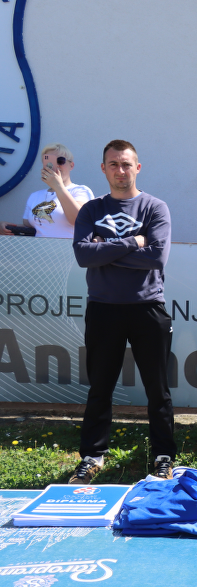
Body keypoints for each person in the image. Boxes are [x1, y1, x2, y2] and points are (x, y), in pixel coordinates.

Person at [69, 140, 175, 485]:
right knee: (100, 388)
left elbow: (156, 258)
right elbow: (83, 255)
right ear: (103, 169)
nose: (120, 170)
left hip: (147, 308)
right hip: (104, 309)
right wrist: (133, 242)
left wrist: (106, 250)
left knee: (158, 390)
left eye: (126, 164)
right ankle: (92, 457)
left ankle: (163, 456)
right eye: (113, 164)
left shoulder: (155, 208)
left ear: (137, 167)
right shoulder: (91, 210)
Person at [3, 143, 93, 238]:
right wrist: (8, 227)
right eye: (50, 162)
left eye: (60, 161)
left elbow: (79, 220)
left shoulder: (81, 191)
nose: (56, 166)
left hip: (70, 247)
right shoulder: (35, 196)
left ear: (71, 165)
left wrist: (58, 187)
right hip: (41, 247)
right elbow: (36, 226)